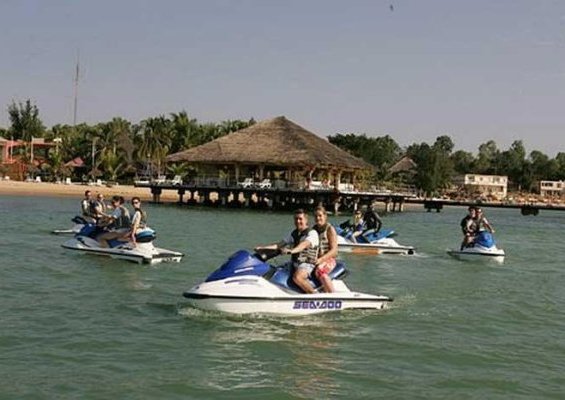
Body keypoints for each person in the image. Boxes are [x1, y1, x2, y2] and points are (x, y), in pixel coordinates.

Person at [255, 209, 319, 294]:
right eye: (296, 219)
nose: (298, 221)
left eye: (300, 219)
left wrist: (291, 251)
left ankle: (314, 296)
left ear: (306, 220)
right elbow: (279, 245)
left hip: (307, 263)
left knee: (298, 277)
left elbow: (303, 245)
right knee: (274, 272)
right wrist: (262, 248)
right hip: (294, 263)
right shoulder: (294, 234)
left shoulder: (312, 233)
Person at [312, 206, 338, 293]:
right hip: (316, 259)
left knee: (320, 271)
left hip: (328, 259)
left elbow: (334, 251)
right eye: (316, 216)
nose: (318, 218)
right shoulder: (314, 230)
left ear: (325, 216)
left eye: (320, 216)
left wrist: (321, 259)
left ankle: (332, 295)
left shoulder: (329, 229)